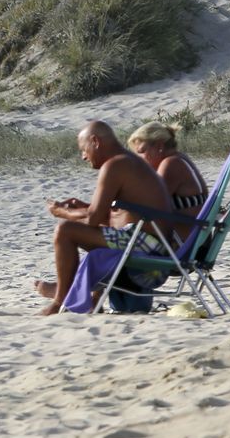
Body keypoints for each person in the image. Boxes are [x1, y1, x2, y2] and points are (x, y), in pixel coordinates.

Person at [34, 120, 175, 316]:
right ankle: (92, 299)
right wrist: (84, 208)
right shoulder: (127, 161)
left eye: (84, 149)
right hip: (155, 244)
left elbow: (93, 219)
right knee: (95, 230)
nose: (83, 156)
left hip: (148, 246)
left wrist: (62, 212)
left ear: (95, 141)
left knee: (64, 230)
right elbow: (108, 216)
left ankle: (60, 301)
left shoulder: (115, 165)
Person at [127, 121, 208, 239]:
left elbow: (147, 204)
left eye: (142, 151)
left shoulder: (170, 164)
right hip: (197, 239)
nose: (139, 159)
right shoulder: (180, 159)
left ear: (159, 146)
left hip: (181, 242)